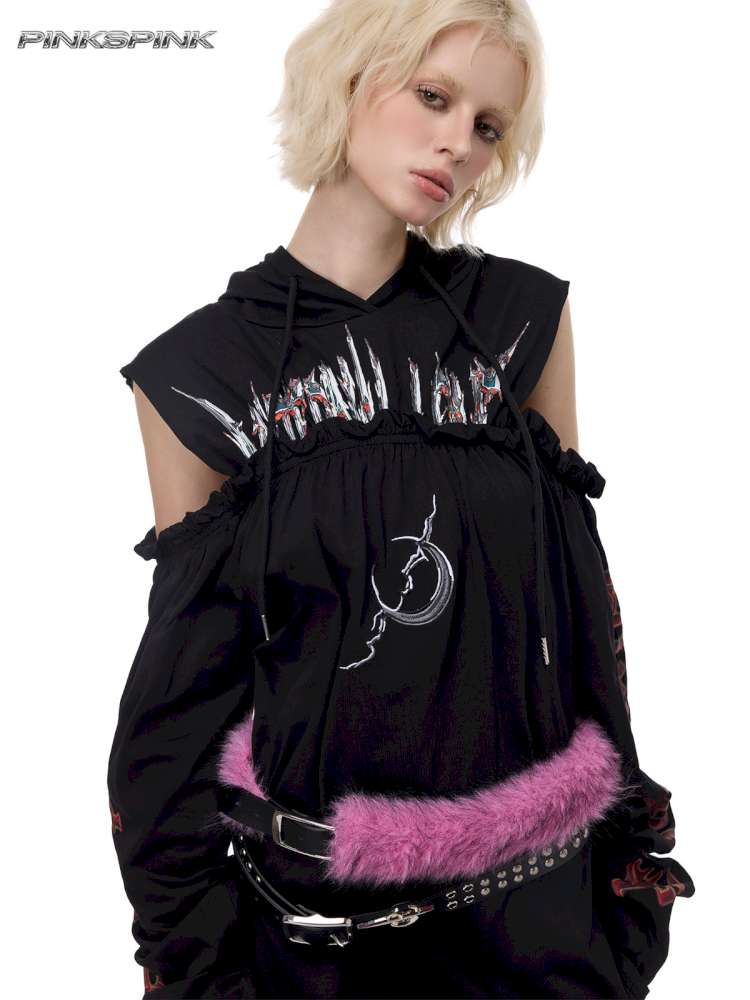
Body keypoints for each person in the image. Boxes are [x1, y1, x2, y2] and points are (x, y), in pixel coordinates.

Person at [106, 2, 695, 997]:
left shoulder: (521, 323)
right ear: (346, 80)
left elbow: (583, 611)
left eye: (488, 126)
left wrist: (623, 873)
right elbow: (181, 705)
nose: (458, 143)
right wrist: (192, 960)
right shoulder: (196, 376)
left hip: (538, 925)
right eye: (433, 96)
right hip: (317, 937)